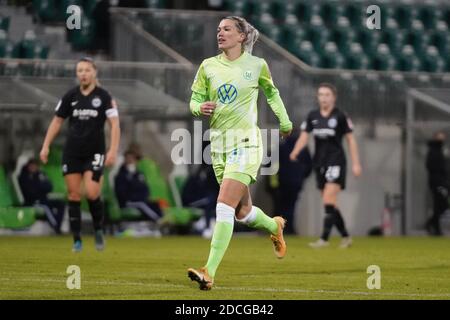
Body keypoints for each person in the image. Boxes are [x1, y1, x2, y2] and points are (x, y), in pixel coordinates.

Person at [187, 16, 293, 290]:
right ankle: (274, 227)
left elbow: (272, 93)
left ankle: (208, 271)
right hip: (219, 147)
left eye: (227, 29)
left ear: (242, 36)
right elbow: (194, 100)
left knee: (223, 205)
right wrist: (200, 108)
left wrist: (284, 121)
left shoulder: (257, 66)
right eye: (218, 29)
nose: (220, 33)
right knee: (242, 213)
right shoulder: (207, 66)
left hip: (246, 143)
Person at [39, 57, 120, 252]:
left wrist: (113, 150)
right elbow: (57, 121)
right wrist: (46, 146)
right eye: (80, 71)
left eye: (86, 70)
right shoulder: (70, 96)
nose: (83, 74)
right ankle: (77, 239)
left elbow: (115, 124)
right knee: (74, 194)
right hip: (72, 153)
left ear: (94, 72)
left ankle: (98, 229)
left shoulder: (104, 96)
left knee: (92, 193)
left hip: (95, 153)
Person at [289, 83, 362, 248]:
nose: (324, 98)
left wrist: (356, 163)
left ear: (334, 97)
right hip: (319, 163)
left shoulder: (340, 116)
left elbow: (351, 140)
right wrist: (295, 151)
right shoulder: (313, 116)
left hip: (336, 162)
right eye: (321, 94)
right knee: (330, 204)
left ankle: (324, 239)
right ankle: (346, 236)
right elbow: (304, 136)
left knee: (329, 199)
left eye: (327, 94)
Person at [277, 128, 313, 234]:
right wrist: (302, 177)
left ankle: (282, 228)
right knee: (292, 206)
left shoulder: (281, 147)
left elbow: (271, 166)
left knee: (282, 206)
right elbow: (310, 166)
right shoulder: (303, 149)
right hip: (296, 182)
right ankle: (290, 228)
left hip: (283, 182)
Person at [18, 158, 65, 234]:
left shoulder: (41, 174)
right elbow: (30, 192)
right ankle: (56, 228)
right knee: (45, 207)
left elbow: (49, 186)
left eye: (35, 166)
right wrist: (40, 186)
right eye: (31, 166)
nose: (33, 167)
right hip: (32, 201)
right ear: (28, 166)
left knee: (61, 204)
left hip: (43, 198)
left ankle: (57, 225)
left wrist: (39, 186)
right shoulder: (24, 177)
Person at [114, 150, 163, 222]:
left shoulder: (140, 174)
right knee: (142, 204)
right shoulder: (121, 176)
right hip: (128, 202)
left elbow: (146, 188)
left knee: (155, 204)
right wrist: (135, 197)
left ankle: (162, 220)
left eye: (133, 159)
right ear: (125, 160)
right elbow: (121, 193)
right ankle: (159, 221)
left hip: (141, 200)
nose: (131, 161)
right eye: (128, 159)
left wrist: (145, 197)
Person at [425, 131, 449, 236]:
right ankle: (432, 224)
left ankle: (433, 226)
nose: (442, 138)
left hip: (440, 182)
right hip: (437, 183)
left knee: (440, 205)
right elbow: (432, 167)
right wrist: (441, 181)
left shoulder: (439, 150)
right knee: (441, 204)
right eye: (440, 137)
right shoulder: (433, 151)